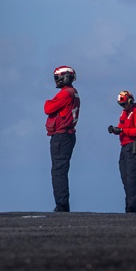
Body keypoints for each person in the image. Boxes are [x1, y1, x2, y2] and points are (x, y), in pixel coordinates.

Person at [44, 66, 79, 212]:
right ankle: (63, 204)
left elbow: (47, 108)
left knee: (58, 171)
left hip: (61, 136)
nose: (56, 81)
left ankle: (61, 205)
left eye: (58, 78)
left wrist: (48, 101)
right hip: (67, 135)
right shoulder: (73, 92)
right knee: (61, 170)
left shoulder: (65, 94)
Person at [107, 91, 136, 213]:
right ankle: (129, 207)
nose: (123, 106)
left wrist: (122, 131)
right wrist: (115, 130)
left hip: (133, 146)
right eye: (121, 105)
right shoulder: (125, 112)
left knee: (131, 177)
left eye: (124, 104)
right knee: (125, 176)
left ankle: (132, 208)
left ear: (130, 101)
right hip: (124, 146)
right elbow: (121, 126)